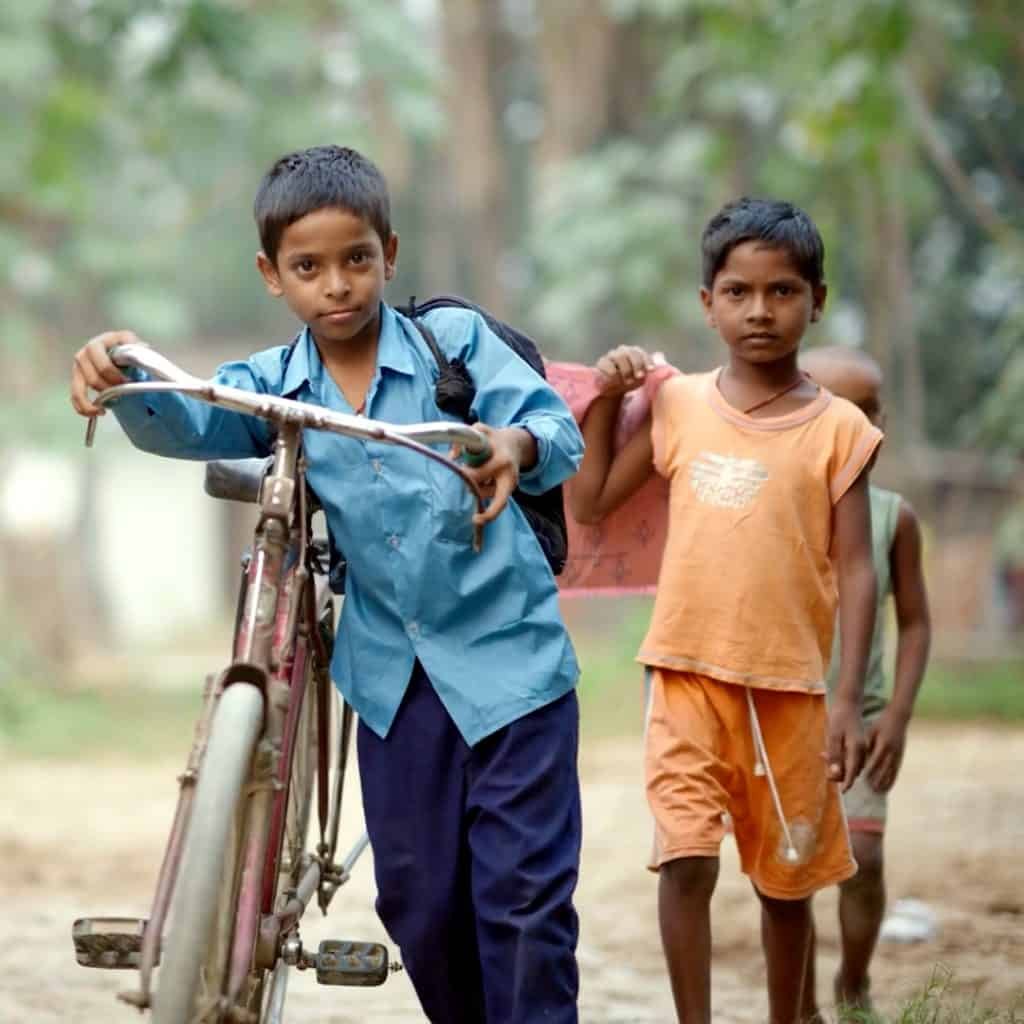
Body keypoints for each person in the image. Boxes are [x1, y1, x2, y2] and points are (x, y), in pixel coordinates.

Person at [70, 144, 585, 1023]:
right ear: (273, 276)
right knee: (419, 909)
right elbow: (191, 417)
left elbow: (553, 426)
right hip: (392, 684)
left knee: (525, 904)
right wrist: (123, 377)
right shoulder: (274, 384)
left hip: (513, 667)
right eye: (309, 267)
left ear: (389, 251)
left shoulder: (452, 347)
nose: (337, 285)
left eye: (356, 259)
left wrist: (516, 444)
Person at [567, 197, 882, 1024]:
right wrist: (607, 397)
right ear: (707, 303)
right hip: (682, 675)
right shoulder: (677, 407)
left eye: (782, 291)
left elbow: (857, 566)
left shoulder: (841, 430)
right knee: (686, 862)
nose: (760, 310)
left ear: (817, 297)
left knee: (786, 882)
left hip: (791, 691)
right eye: (738, 292)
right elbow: (594, 499)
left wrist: (848, 697)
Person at [800, 346, 932, 1017]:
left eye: (870, 412)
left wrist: (898, 718)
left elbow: (913, 624)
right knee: (789, 876)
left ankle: (852, 979)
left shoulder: (892, 517)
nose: (859, 428)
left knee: (865, 862)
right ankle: (795, 1000)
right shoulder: (777, 510)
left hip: (865, 721)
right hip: (786, 715)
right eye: (839, 413)